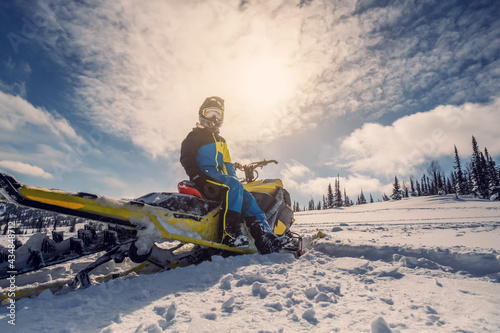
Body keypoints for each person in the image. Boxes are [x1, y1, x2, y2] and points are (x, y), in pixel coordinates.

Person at [180, 96, 288, 253]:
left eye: (217, 114)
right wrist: (196, 176)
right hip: (205, 173)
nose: (213, 118)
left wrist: (237, 184)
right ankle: (229, 233)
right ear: (202, 114)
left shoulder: (221, 140)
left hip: (219, 175)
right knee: (233, 185)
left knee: (248, 198)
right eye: (209, 113)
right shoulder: (195, 135)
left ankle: (264, 237)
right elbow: (186, 157)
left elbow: (228, 165)